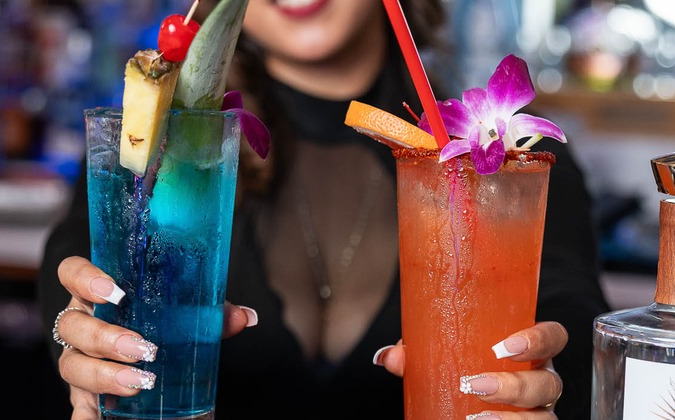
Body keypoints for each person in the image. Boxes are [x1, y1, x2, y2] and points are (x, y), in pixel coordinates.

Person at [38, 0, 610, 418]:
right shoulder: (154, 147)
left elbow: (580, 340)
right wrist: (82, 339)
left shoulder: (513, 162)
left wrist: (546, 385)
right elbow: (69, 275)